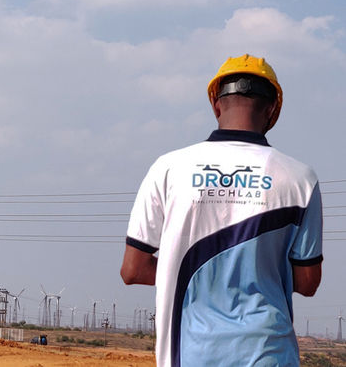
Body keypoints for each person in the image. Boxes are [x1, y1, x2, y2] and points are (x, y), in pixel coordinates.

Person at [120, 54, 323, 367]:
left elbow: (132, 270)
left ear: (216, 105)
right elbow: (307, 282)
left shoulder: (168, 168)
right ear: (271, 110)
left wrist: (194, 276)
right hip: (270, 353)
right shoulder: (300, 178)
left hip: (190, 353)